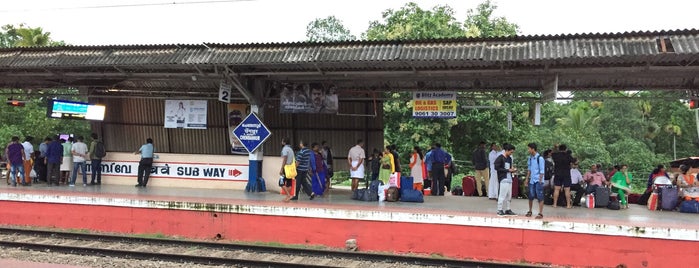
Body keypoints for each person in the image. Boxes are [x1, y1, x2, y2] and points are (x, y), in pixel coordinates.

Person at [495, 143, 517, 216]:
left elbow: (510, 168)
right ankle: (499, 209)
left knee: (509, 195)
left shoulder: (509, 159)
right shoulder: (500, 158)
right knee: (502, 195)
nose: (511, 154)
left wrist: (512, 170)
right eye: (511, 152)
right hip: (503, 178)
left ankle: (508, 209)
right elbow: (497, 168)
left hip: (509, 179)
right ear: (507, 150)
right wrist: (508, 170)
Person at [551, 144, 575, 208]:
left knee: (556, 189)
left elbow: (552, 153)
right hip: (566, 174)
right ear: (566, 149)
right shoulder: (568, 155)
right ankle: (568, 205)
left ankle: (555, 204)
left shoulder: (556, 155)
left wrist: (555, 147)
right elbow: (575, 161)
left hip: (557, 174)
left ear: (559, 149)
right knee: (567, 190)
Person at [525, 143, 545, 219]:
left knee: (540, 196)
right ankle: (530, 210)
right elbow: (529, 169)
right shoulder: (530, 158)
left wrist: (540, 180)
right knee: (531, 196)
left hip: (538, 180)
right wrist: (527, 179)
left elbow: (542, 171)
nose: (528, 150)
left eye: (529, 149)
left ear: (533, 149)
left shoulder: (539, 158)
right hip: (532, 180)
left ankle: (540, 213)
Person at [279, 138, 295, 202]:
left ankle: (288, 195)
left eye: (282, 141)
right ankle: (287, 197)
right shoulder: (291, 149)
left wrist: (281, 168)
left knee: (281, 183)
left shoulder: (285, 149)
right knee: (289, 183)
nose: (281, 142)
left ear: (284, 142)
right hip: (290, 168)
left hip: (286, 168)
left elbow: (285, 159)